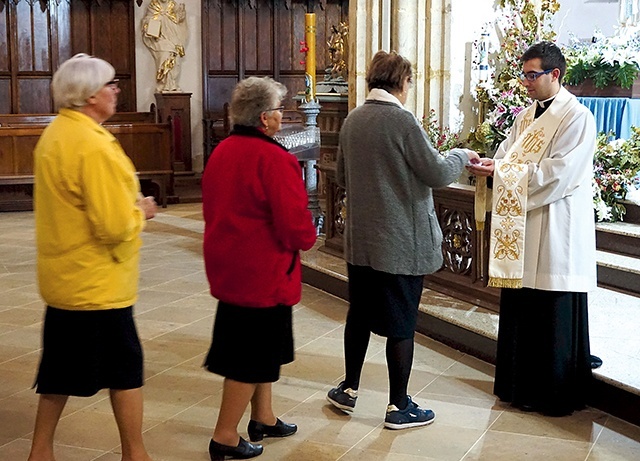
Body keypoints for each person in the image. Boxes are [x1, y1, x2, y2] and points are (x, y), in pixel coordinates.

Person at [326, 50, 480, 429]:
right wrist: (461, 154)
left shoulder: (353, 120)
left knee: (359, 315)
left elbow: (343, 176)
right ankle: (398, 407)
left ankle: (349, 389)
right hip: (399, 242)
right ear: (403, 82)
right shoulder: (402, 121)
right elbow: (436, 172)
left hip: (362, 241)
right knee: (400, 323)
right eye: (410, 82)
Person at [28, 54, 157, 461]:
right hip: (98, 283)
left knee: (60, 372)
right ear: (88, 95)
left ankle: (40, 450)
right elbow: (114, 226)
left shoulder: (57, 134)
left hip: (66, 277)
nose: (117, 90)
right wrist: (142, 211)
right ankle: (135, 454)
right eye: (110, 84)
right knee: (126, 370)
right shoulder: (91, 145)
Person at [467, 41, 597, 416]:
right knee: (524, 304)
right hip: (523, 225)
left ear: (554, 74)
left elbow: (562, 173)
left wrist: (504, 173)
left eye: (531, 75)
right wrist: (493, 165)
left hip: (557, 224)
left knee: (550, 306)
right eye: (523, 75)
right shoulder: (526, 117)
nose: (525, 82)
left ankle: (553, 395)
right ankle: (519, 388)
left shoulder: (577, 117)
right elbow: (509, 155)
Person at [202, 77, 317, 460]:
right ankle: (224, 435)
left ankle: (263, 417)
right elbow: (293, 224)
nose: (283, 116)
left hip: (232, 267)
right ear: (265, 118)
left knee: (263, 351)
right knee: (249, 358)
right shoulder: (273, 158)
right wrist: (308, 235)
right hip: (262, 273)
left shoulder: (223, 151)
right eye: (280, 110)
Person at [142, 0, 187, 92]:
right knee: (164, 56)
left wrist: (181, 13)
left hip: (173, 36)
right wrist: (153, 22)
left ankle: (172, 84)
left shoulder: (173, 5)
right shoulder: (153, 5)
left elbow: (178, 19)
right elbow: (146, 20)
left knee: (176, 61)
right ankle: (164, 84)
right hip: (160, 38)